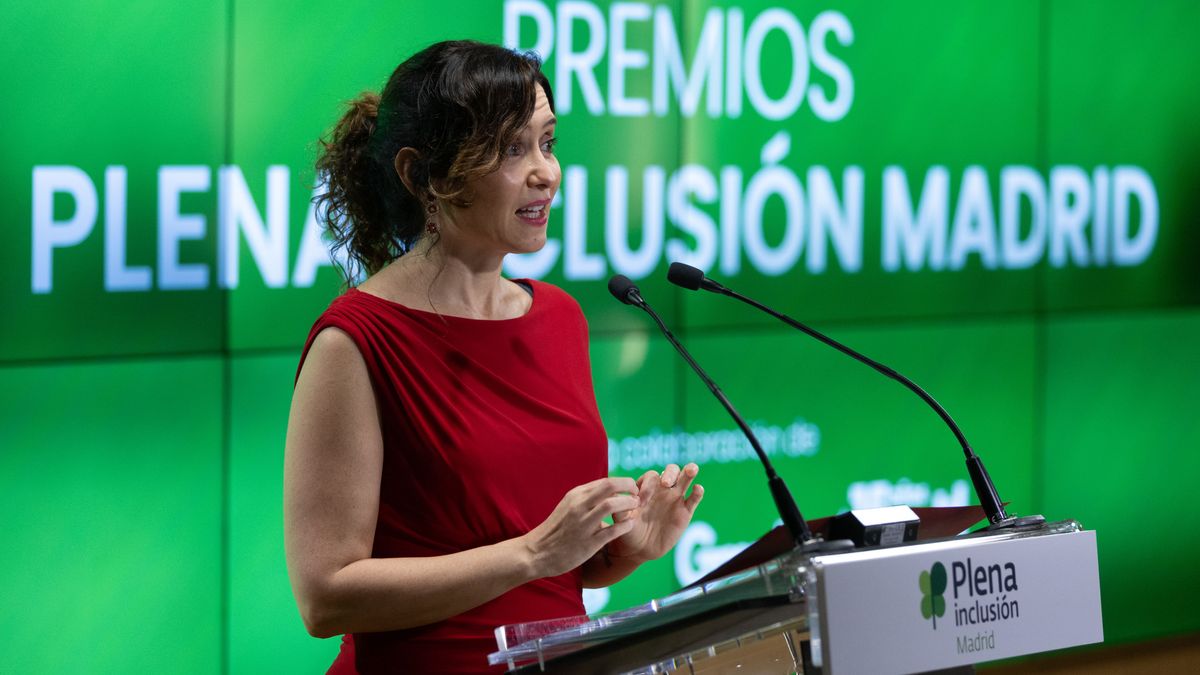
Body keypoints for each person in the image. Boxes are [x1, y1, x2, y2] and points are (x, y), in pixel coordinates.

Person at [284, 40, 704, 674]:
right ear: (422, 175)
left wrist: (625, 551)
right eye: (512, 149)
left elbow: (548, 567)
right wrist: (534, 552)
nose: (547, 172)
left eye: (548, 142)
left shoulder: (560, 318)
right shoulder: (356, 341)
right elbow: (326, 595)